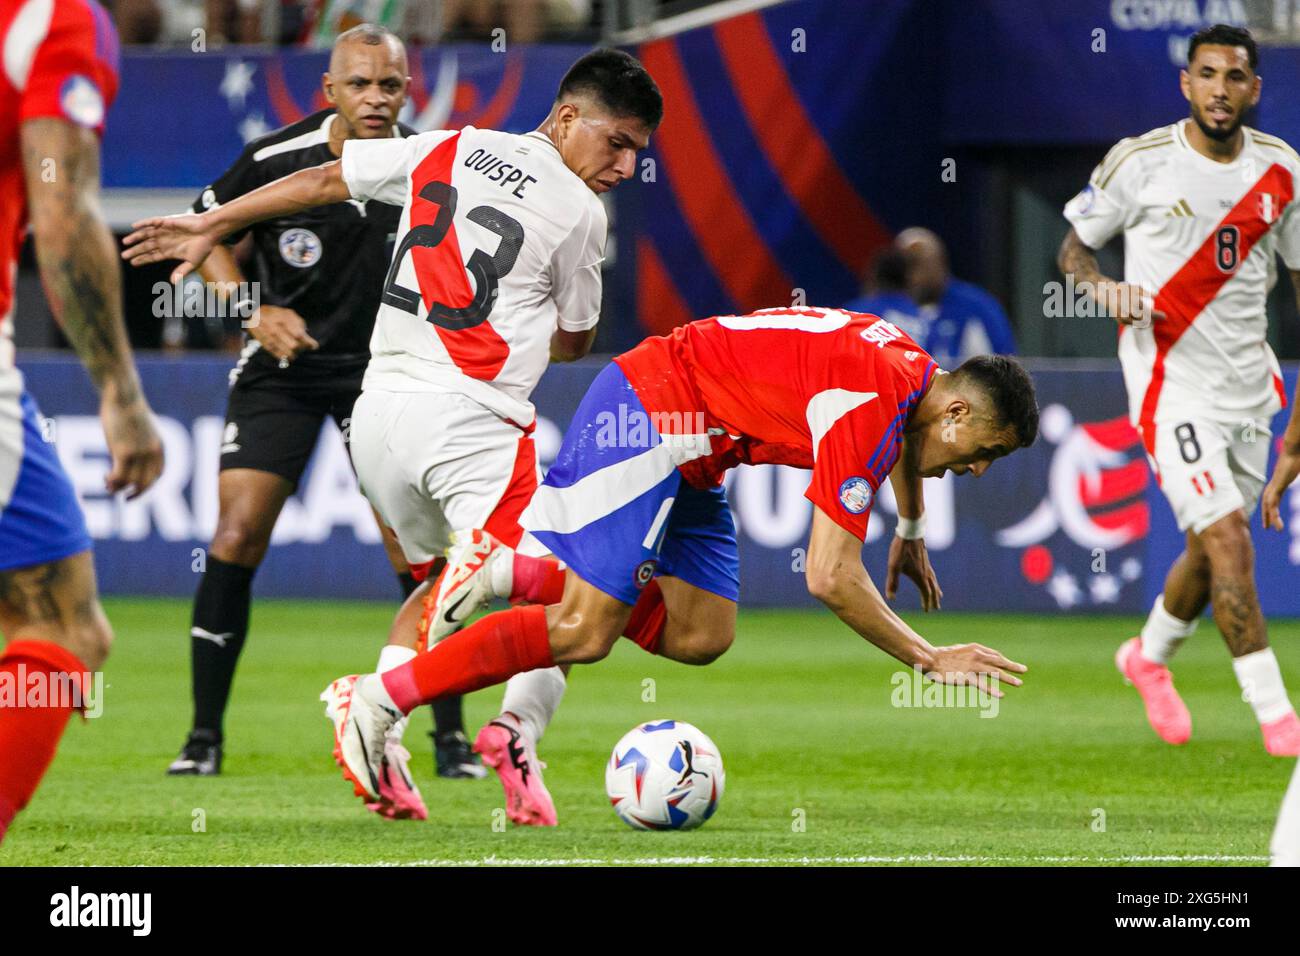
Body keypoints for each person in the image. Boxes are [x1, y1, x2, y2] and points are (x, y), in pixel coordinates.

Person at [122, 47, 663, 821]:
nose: (627, 163)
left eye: (639, 151)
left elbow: (322, 180)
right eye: (618, 142)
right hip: (471, 426)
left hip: (377, 416)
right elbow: (576, 342)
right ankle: (478, 721)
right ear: (568, 117)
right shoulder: (581, 213)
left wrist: (212, 220)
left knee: (433, 588)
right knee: (582, 590)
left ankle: (383, 741)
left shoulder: (448, 145)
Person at [312, 306, 1038, 820]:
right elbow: (829, 575)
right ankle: (377, 699)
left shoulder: (912, 373)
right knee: (585, 630)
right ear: (960, 416)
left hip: (699, 449)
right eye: (987, 453)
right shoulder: (874, 402)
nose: (977, 469)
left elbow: (909, 440)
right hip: (651, 410)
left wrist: (909, 524)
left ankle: (519, 576)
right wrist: (926, 657)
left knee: (700, 635)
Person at [163, 24, 484, 782]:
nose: (376, 98)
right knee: (237, 534)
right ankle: (203, 739)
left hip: (387, 379)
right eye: (361, 85)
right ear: (329, 92)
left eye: (391, 85)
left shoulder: (429, 165)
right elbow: (205, 229)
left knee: (418, 554)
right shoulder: (278, 157)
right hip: (282, 368)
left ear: (409, 90)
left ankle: (450, 741)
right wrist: (249, 312)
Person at [1058, 24, 1300, 755]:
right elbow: (1074, 248)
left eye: (1234, 77)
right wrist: (1102, 290)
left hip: (1250, 389)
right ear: (1185, 84)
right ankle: (1277, 715)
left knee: (1206, 551)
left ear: (1254, 88)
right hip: (1169, 384)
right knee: (1228, 538)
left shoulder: (1283, 171)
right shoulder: (1142, 162)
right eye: (1207, 74)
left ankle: (1148, 657)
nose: (1220, 90)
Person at [0, 0, 164, 843]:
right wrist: (122, 393)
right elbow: (61, 213)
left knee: (59, 625)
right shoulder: (53, 19)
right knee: (59, 626)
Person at [845, 228, 1016, 367]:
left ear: (940, 263)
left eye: (920, 264)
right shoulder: (872, 310)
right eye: (907, 266)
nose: (914, 276)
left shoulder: (977, 305)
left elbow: (1006, 361)